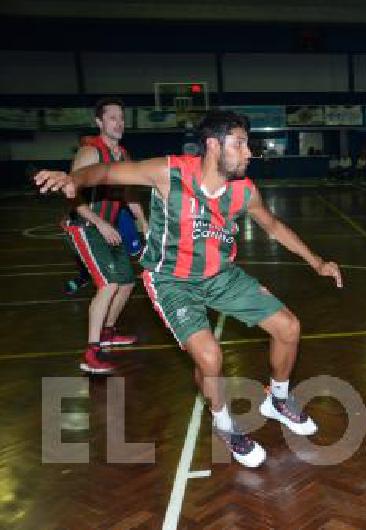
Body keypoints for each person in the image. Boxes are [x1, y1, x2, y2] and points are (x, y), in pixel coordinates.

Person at [35, 110, 343, 468]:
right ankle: (225, 424)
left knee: (288, 327)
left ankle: (276, 399)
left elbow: (274, 227)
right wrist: (72, 179)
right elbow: (105, 172)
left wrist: (317, 261)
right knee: (210, 357)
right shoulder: (170, 171)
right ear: (213, 145)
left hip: (220, 274)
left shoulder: (244, 191)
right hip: (171, 282)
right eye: (240, 144)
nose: (249, 153)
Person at [63, 97, 148, 374]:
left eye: (122, 118)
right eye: (112, 118)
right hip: (84, 225)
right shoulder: (91, 152)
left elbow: (129, 193)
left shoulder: (122, 154)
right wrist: (100, 223)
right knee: (109, 283)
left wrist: (143, 222)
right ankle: (91, 352)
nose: (119, 123)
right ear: (99, 122)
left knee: (126, 282)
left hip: (107, 227)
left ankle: (108, 332)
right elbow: (70, 192)